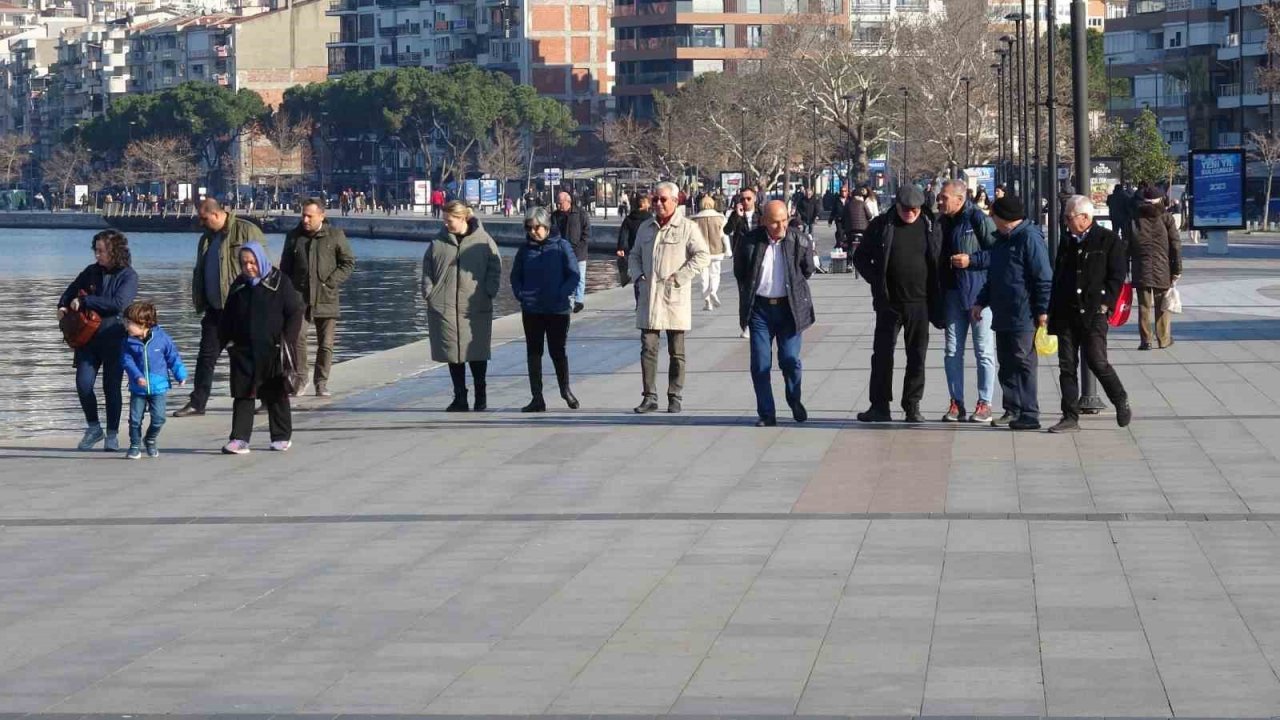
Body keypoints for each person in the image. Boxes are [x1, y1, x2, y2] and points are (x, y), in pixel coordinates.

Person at [953, 195, 1053, 431]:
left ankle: (1029, 412)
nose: (990, 218)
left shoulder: (1029, 238)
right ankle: (1012, 409)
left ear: (1003, 217)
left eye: (993, 214)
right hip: (1003, 312)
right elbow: (994, 276)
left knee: (1023, 362)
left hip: (1024, 313)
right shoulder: (1001, 240)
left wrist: (1042, 311)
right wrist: (980, 301)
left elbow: (1043, 277)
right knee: (1007, 363)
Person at [852, 185, 944, 423]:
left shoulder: (930, 225)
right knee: (882, 355)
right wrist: (877, 280)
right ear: (897, 205)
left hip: (920, 303)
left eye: (915, 209)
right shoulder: (883, 225)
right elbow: (860, 257)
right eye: (906, 209)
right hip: (889, 302)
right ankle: (879, 405)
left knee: (917, 356)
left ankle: (912, 405)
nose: (910, 214)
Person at [174, 198, 266, 418]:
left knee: (251, 355)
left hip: (242, 308)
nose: (201, 223)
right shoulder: (206, 239)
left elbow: (263, 267)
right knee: (206, 356)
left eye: (204, 218)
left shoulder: (246, 231)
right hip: (214, 310)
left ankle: (267, 398)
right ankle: (198, 402)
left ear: (215, 214)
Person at [1047, 195, 1132, 433]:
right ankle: (1070, 416)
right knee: (1067, 366)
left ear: (1085, 217)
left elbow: (1117, 276)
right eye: (1065, 217)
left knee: (1097, 360)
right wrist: (1049, 310)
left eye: (1069, 217)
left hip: (1094, 311)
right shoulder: (1067, 241)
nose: (1066, 221)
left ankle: (1119, 398)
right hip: (1066, 311)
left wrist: (1105, 305)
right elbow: (1059, 276)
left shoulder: (1108, 240)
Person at [628, 181, 710, 414]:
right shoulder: (645, 227)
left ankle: (674, 396)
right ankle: (649, 396)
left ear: (675, 201)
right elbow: (633, 255)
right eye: (655, 199)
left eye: (663, 199)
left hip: (674, 297)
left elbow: (702, 255)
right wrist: (637, 276)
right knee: (648, 347)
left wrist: (680, 277)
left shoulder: (687, 227)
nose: (658, 203)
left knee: (677, 350)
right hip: (649, 297)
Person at [734, 200, 815, 426]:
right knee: (760, 363)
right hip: (760, 309)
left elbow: (806, 270)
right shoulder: (750, 241)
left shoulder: (799, 240)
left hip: (789, 309)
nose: (780, 226)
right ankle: (767, 413)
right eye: (774, 222)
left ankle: (794, 398)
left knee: (790, 360)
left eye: (784, 221)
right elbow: (741, 272)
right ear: (763, 222)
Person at [218, 243, 303, 454]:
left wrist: (287, 341)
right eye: (244, 263)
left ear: (261, 260)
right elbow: (227, 317)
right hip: (243, 350)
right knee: (243, 395)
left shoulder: (280, 282)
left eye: (252, 262)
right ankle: (239, 439)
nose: (248, 267)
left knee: (275, 394)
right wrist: (226, 342)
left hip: (273, 348)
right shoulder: (239, 285)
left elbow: (295, 312)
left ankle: (281, 436)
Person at [58, 230, 139, 450]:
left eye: (101, 251)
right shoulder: (90, 272)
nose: (97, 255)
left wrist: (85, 302)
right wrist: (63, 307)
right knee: (83, 384)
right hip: (87, 340)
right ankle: (94, 428)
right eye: (96, 250)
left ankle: (112, 433)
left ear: (114, 251)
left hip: (114, 338)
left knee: (111, 387)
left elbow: (118, 304)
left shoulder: (129, 276)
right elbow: (69, 292)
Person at [421, 201, 501, 412]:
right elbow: (427, 269)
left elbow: (495, 266)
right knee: (452, 353)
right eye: (445, 221)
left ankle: (480, 394)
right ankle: (460, 396)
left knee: (476, 352)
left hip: (475, 303)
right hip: (444, 304)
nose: (446, 225)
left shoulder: (483, 241)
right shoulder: (438, 243)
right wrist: (428, 292)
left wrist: (490, 290)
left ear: (462, 218)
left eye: (450, 220)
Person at [279, 198, 357, 398]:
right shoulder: (294, 237)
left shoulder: (335, 236)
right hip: (299, 298)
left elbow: (348, 262)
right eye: (303, 215)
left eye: (309, 216)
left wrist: (331, 281)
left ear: (321, 216)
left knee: (326, 343)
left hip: (326, 296)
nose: (305, 219)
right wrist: (287, 292)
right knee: (297, 338)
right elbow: (285, 268)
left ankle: (321, 382)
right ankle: (300, 378)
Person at [937, 179, 998, 423]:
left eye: (944, 197)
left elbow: (996, 252)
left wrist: (971, 261)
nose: (939, 200)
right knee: (952, 350)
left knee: (983, 350)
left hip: (978, 294)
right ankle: (956, 402)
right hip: (952, 293)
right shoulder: (940, 221)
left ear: (959, 200)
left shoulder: (977, 219)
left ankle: (985, 402)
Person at [511, 207, 581, 412]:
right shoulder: (524, 250)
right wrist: (521, 294)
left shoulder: (561, 246)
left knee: (557, 351)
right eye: (529, 228)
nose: (533, 231)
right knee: (534, 353)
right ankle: (537, 397)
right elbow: (515, 276)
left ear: (547, 226)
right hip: (532, 309)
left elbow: (574, 274)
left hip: (557, 309)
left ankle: (565, 389)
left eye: (537, 227)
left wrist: (562, 293)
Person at [120, 300, 187, 459]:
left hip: (159, 387)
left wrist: (180, 374)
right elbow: (126, 361)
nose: (126, 325)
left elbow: (173, 358)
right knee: (135, 420)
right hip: (138, 388)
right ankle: (134, 445)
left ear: (142, 323)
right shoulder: (128, 342)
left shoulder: (162, 339)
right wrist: (137, 376)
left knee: (159, 419)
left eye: (129, 323)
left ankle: (150, 439)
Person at [1129, 186, 1182, 350]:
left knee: (1144, 306)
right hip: (1162, 267)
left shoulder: (1135, 218)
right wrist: (1177, 269)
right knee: (1162, 305)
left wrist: (1124, 267)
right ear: (1160, 200)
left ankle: (1146, 340)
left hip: (1141, 266)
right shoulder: (1166, 218)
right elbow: (1175, 244)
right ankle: (1163, 339)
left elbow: (1127, 244)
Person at [724, 187, 762, 338]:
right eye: (742, 199)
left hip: (759, 258)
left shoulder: (761, 214)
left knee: (759, 293)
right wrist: (736, 217)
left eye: (748, 199)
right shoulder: (735, 215)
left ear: (755, 199)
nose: (745, 202)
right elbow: (727, 231)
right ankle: (745, 325)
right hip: (742, 260)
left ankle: (758, 323)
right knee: (744, 294)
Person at [551, 190, 591, 313]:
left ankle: (579, 301)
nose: (558, 206)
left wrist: (581, 245)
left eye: (560, 203)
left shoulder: (580, 213)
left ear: (568, 202)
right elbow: (551, 232)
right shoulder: (555, 215)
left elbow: (586, 231)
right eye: (557, 203)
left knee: (579, 277)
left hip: (579, 251)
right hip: (562, 252)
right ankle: (567, 300)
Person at [691, 195, 728, 310]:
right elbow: (724, 235)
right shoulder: (720, 218)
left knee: (703, 276)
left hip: (701, 252)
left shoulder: (695, 219)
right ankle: (713, 291)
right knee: (715, 273)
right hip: (717, 249)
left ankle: (707, 301)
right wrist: (728, 250)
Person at [616, 195, 652, 287]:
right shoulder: (650, 218)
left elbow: (623, 235)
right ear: (645, 205)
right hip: (648, 248)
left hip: (633, 248)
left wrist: (620, 248)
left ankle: (638, 291)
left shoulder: (629, 218)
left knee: (637, 272)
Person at [840, 184, 873, 266]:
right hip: (862, 229)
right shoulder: (863, 203)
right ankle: (865, 261)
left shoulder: (848, 204)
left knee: (849, 245)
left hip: (850, 229)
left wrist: (844, 226)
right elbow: (869, 216)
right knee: (865, 244)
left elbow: (843, 217)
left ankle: (849, 264)